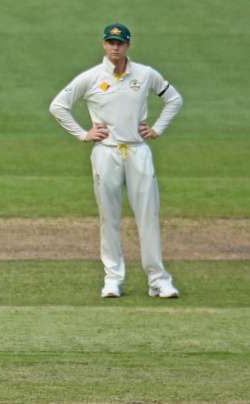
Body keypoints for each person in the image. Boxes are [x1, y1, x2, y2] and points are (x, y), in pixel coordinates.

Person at [49, 23, 183, 298]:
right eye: (110, 42)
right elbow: (58, 107)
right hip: (106, 152)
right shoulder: (92, 77)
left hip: (138, 150)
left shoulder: (145, 74)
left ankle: (158, 280)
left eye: (120, 43)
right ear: (104, 44)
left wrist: (157, 128)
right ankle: (112, 278)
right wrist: (83, 134)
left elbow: (174, 99)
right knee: (108, 217)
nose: (115, 47)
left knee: (148, 216)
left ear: (128, 46)